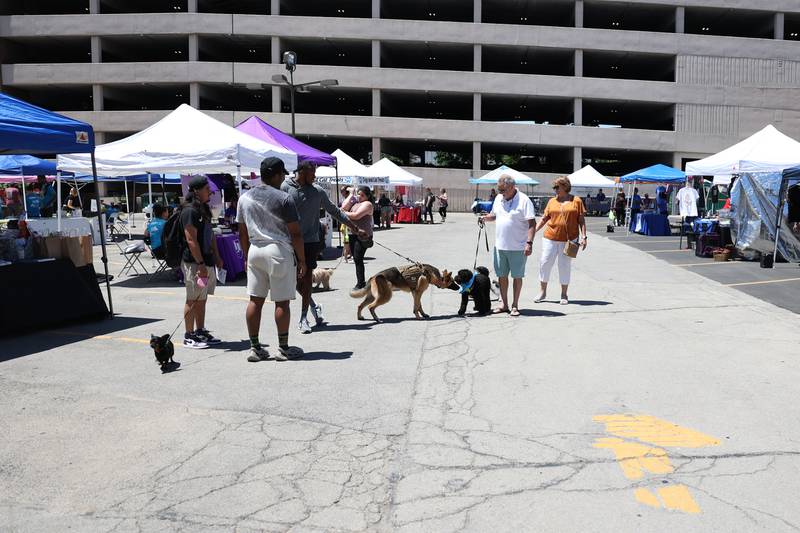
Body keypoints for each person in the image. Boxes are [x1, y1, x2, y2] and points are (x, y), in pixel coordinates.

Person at [282, 160, 363, 334]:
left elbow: (335, 211)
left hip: (310, 242)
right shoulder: (285, 187)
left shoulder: (317, 192)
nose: (315, 176)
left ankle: (304, 318)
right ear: (302, 172)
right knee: (294, 282)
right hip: (288, 242)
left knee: (306, 279)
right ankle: (314, 305)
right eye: (313, 172)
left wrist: (354, 227)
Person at [237, 157, 306, 362]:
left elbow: (242, 232)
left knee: (255, 300)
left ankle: (255, 347)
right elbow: (295, 233)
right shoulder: (284, 198)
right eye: (282, 174)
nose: (284, 177)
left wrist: (245, 255)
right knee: (281, 302)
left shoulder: (245, 198)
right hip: (278, 250)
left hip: (254, 250)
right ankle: (283, 347)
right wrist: (301, 259)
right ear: (276, 175)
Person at [478, 174, 536, 317]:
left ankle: (515, 305)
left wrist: (529, 243)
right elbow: (495, 215)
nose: (501, 193)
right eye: (499, 190)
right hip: (500, 246)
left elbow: (532, 223)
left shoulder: (524, 200)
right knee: (502, 276)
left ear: (512, 187)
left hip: (518, 247)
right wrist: (486, 218)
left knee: (517, 276)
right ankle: (503, 304)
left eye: (503, 190)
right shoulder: (499, 198)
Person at [180, 176, 224, 349]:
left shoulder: (203, 209)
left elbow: (210, 234)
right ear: (196, 191)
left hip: (205, 260)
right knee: (192, 298)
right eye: (207, 189)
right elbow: (191, 240)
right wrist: (199, 264)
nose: (210, 192)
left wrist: (217, 256)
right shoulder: (189, 211)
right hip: (194, 263)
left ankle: (200, 330)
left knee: (201, 298)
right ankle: (188, 335)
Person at [535, 177, 587, 305]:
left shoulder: (576, 201)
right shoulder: (552, 201)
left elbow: (581, 221)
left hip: (570, 240)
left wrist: (584, 237)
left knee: (564, 266)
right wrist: (532, 231)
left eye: (557, 187)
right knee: (545, 262)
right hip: (550, 237)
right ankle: (542, 291)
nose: (555, 190)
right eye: (554, 188)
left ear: (565, 186)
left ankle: (564, 294)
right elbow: (544, 219)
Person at [343, 186, 375, 290]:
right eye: (358, 194)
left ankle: (360, 283)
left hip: (363, 235)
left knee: (358, 258)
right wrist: (351, 194)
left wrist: (343, 213)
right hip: (353, 233)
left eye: (362, 195)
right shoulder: (355, 203)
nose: (359, 197)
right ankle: (361, 282)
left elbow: (356, 216)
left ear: (367, 196)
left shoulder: (368, 204)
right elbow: (343, 206)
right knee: (356, 259)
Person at [340, 186, 355, 262]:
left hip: (350, 223)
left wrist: (351, 193)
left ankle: (350, 254)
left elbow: (343, 208)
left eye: (342, 191)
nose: (341, 193)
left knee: (348, 240)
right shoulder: (347, 199)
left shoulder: (351, 198)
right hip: (346, 223)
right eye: (341, 191)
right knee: (346, 240)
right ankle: (348, 255)